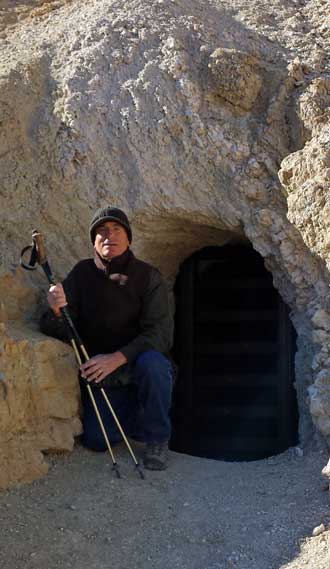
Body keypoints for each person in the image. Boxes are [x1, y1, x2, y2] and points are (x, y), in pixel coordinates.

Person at [40, 206, 174, 470]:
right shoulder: (81, 274)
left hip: (138, 364)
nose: (108, 236)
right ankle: (136, 416)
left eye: (116, 230)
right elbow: (60, 329)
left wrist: (117, 358)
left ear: (128, 238)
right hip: (105, 376)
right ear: (93, 241)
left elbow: (160, 334)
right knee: (97, 440)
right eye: (101, 231)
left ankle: (157, 438)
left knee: (155, 365)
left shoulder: (148, 277)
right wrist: (56, 310)